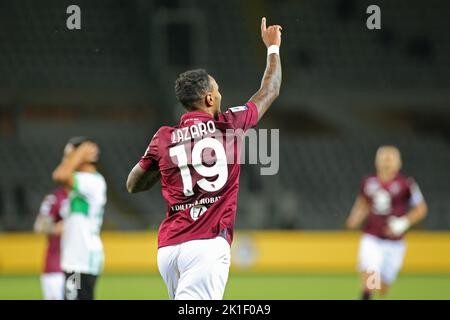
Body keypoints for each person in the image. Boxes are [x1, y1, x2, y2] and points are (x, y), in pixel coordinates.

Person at [127, 17, 282, 300]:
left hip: (169, 249)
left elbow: (133, 185)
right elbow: (269, 90)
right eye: (218, 90)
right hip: (207, 245)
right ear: (210, 99)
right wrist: (273, 48)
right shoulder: (229, 124)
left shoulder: (163, 137)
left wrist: (162, 166)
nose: (221, 94)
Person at [346, 145, 428, 300]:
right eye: (384, 158)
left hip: (395, 243)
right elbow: (363, 203)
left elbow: (421, 209)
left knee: (383, 288)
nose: (387, 162)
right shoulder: (368, 182)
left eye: (391, 158)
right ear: (377, 161)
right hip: (372, 236)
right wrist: (355, 217)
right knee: (371, 272)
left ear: (399, 163)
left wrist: (402, 223)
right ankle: (366, 296)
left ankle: (374, 288)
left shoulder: (407, 184)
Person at [52, 136, 107, 300]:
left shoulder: (92, 181)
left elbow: (60, 175)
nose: (65, 160)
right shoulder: (82, 182)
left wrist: (79, 154)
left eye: (68, 155)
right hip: (76, 259)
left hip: (81, 259)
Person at [33, 186, 68, 300]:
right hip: (55, 268)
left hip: (76, 268)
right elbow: (39, 226)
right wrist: (57, 228)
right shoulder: (54, 198)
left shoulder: (83, 197)